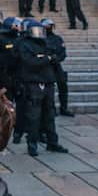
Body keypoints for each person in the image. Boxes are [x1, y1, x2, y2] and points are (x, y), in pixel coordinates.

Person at [18, 19, 66, 156]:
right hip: (33, 83)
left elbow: (56, 56)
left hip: (48, 81)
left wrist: (45, 58)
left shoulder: (46, 43)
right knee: (34, 116)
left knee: (49, 114)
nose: (38, 34)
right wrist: (46, 59)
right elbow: (30, 62)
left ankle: (52, 142)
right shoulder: (25, 44)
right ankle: (32, 144)